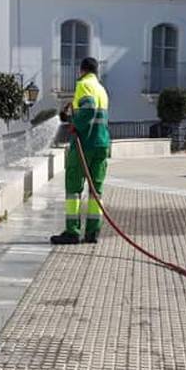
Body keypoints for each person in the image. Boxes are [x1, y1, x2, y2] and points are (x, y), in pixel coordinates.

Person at [51, 57, 110, 245]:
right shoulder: (101, 89)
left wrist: (74, 124)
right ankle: (92, 233)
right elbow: (95, 111)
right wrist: (72, 111)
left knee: (73, 189)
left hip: (85, 145)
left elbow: (89, 108)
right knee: (96, 191)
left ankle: (72, 232)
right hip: (101, 145)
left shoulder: (83, 85)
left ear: (81, 70)